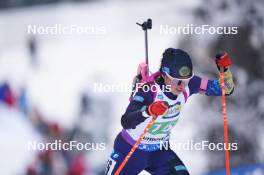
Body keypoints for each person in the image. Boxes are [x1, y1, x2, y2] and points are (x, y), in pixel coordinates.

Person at [105, 48, 234, 175]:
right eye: (176, 80)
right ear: (164, 74)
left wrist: (225, 70)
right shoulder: (148, 90)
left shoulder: (188, 84)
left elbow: (225, 89)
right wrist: (148, 111)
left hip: (160, 152)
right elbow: (126, 121)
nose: (181, 86)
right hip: (131, 150)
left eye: (186, 80)